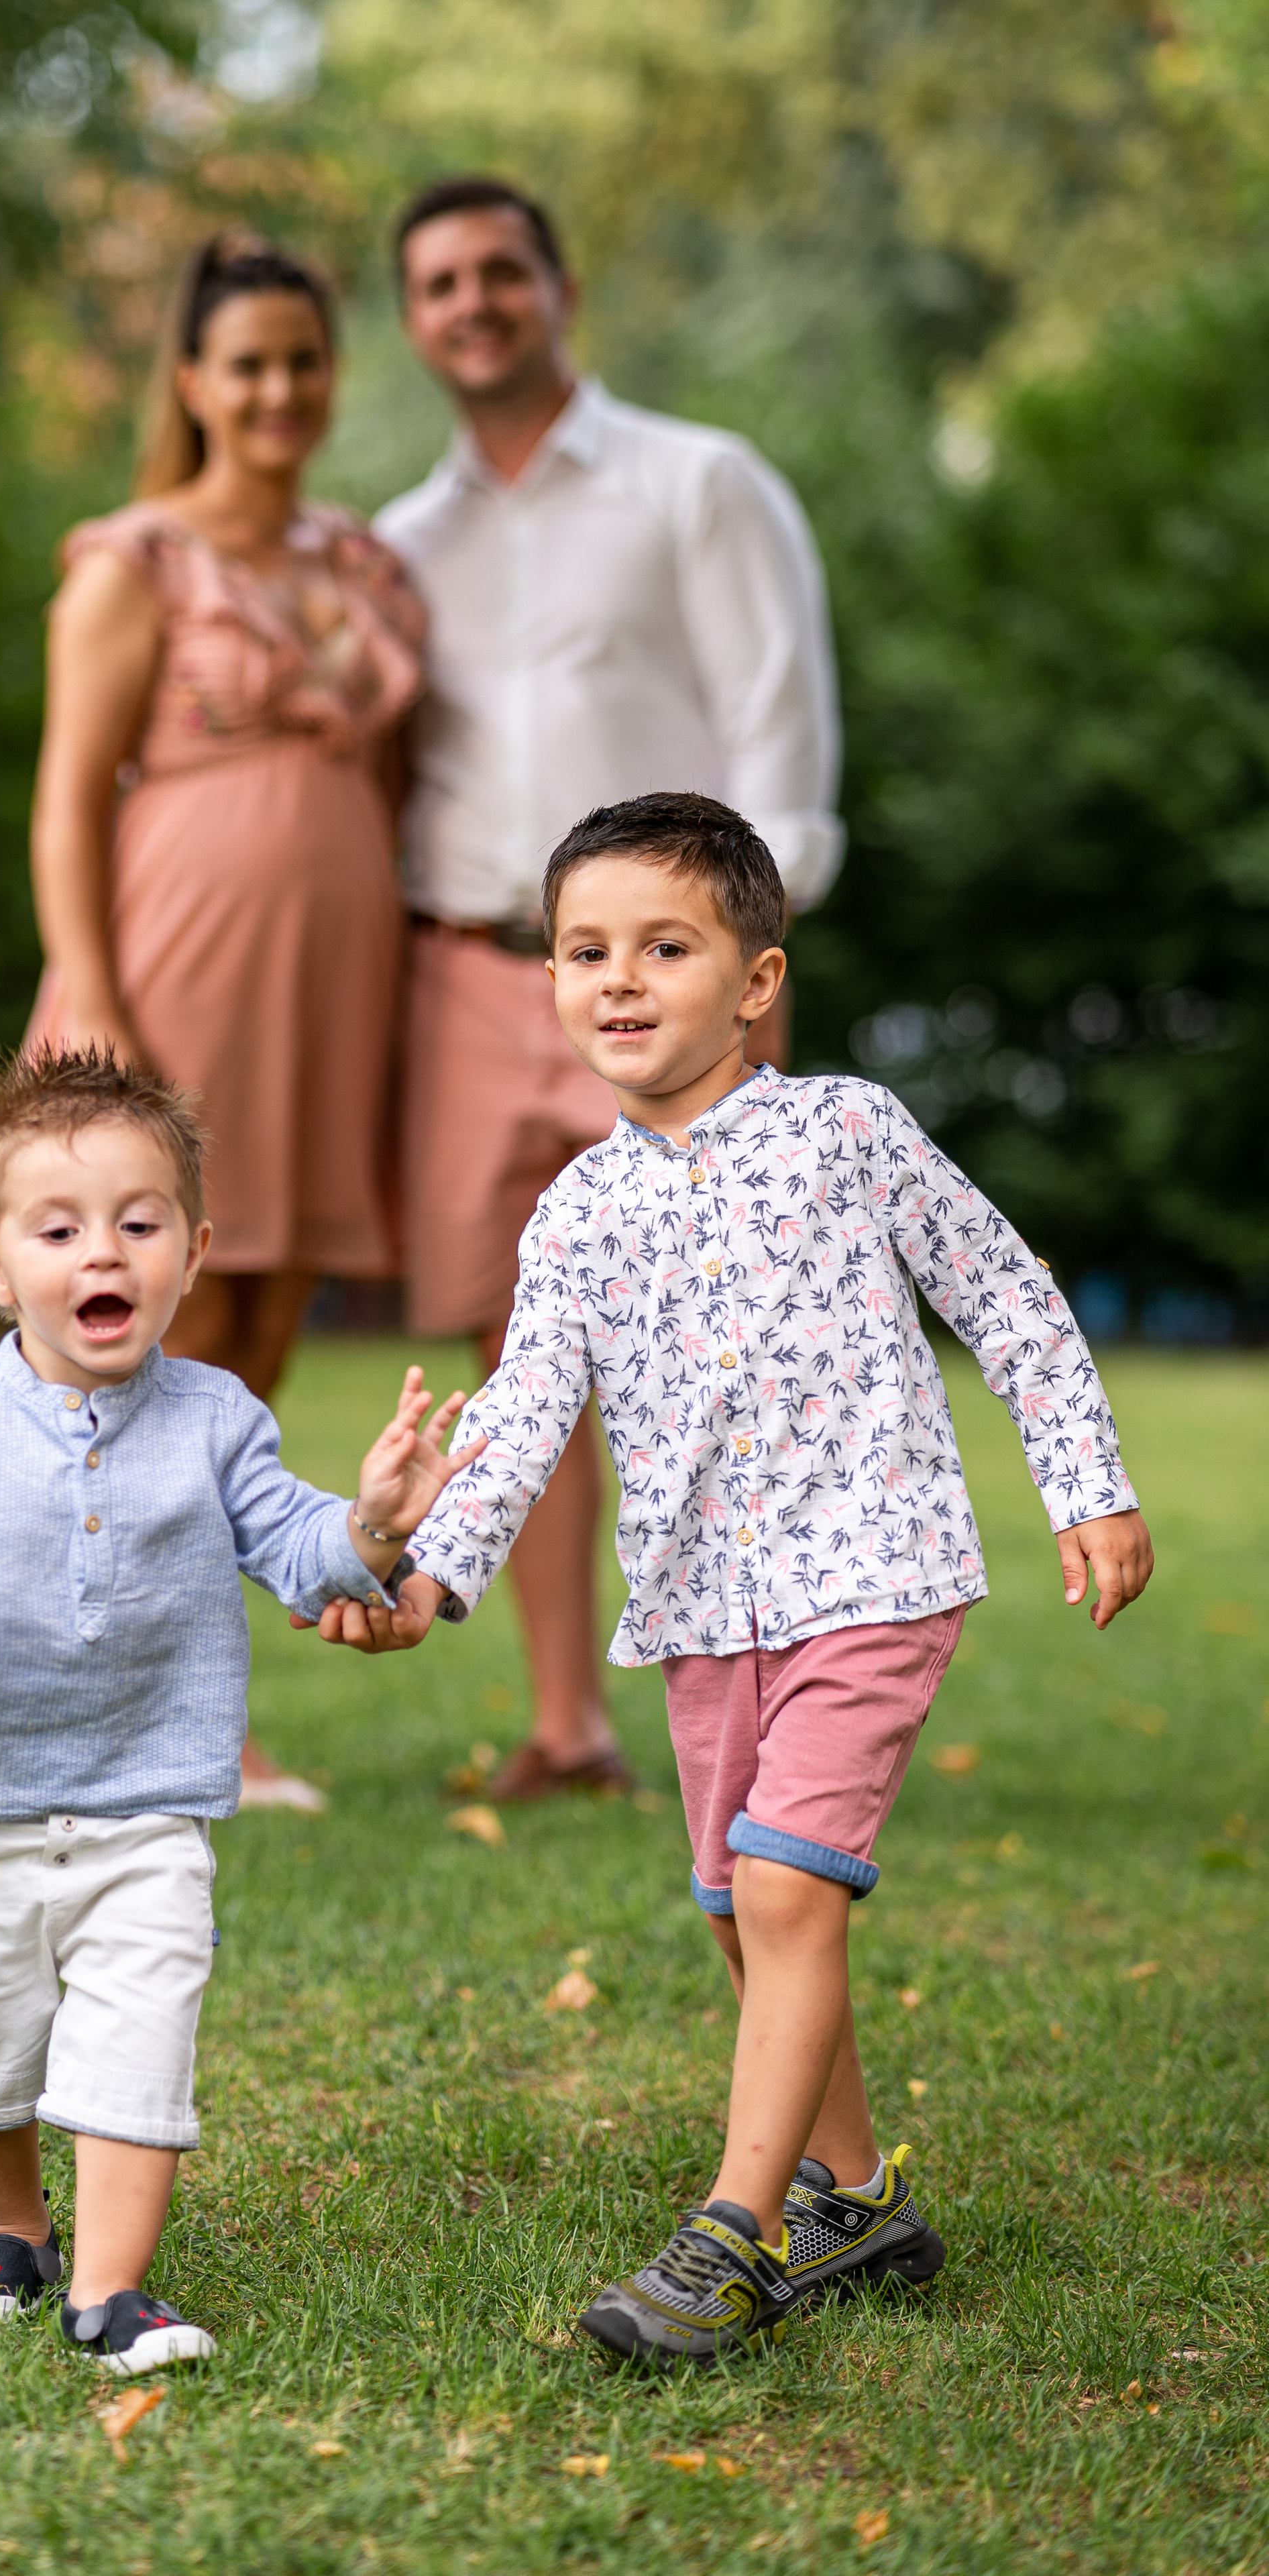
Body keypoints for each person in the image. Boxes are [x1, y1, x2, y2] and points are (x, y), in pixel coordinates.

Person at [307, 792, 1154, 2365]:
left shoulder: (847, 1132)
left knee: (782, 1887)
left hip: (874, 1568)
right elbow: (518, 1425)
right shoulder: (574, 1211)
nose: (615, 979)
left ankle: (733, 2236)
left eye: (663, 946)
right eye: (581, 951)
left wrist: (1086, 1488)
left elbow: (1010, 1298)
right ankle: (853, 2191)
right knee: (735, 1907)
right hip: (705, 1609)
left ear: (755, 978)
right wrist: (417, 1582)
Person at [0, 1046, 480, 2375]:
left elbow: (301, 1546)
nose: (105, 1254)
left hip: (150, 1807)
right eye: (62, 1229)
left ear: (191, 1253)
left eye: (139, 1225)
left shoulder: (215, 1418)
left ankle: (110, 2292)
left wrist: (374, 1519)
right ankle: (9, 2230)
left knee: (138, 2043)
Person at [376, 178, 844, 1805]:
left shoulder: (697, 484)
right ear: (411, 318)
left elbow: (780, 744)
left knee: (716, 1345)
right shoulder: (396, 545)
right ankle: (566, 1722)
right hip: (463, 975)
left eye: (501, 271)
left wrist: (741, 980)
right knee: (529, 1351)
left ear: (559, 285)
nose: (473, 302)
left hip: (662, 979)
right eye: (437, 282)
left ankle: (779, 1703)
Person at [27, 233, 425, 1809]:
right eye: (244, 363)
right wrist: (100, 1005)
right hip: (173, 977)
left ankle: (205, 1725)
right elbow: (65, 803)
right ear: (191, 382)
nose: (275, 389)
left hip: (331, 991)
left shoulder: (363, 565)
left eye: (301, 360)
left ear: (331, 377)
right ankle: (90, 1711)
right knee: (142, 1350)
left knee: (252, 1359)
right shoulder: (132, 561)